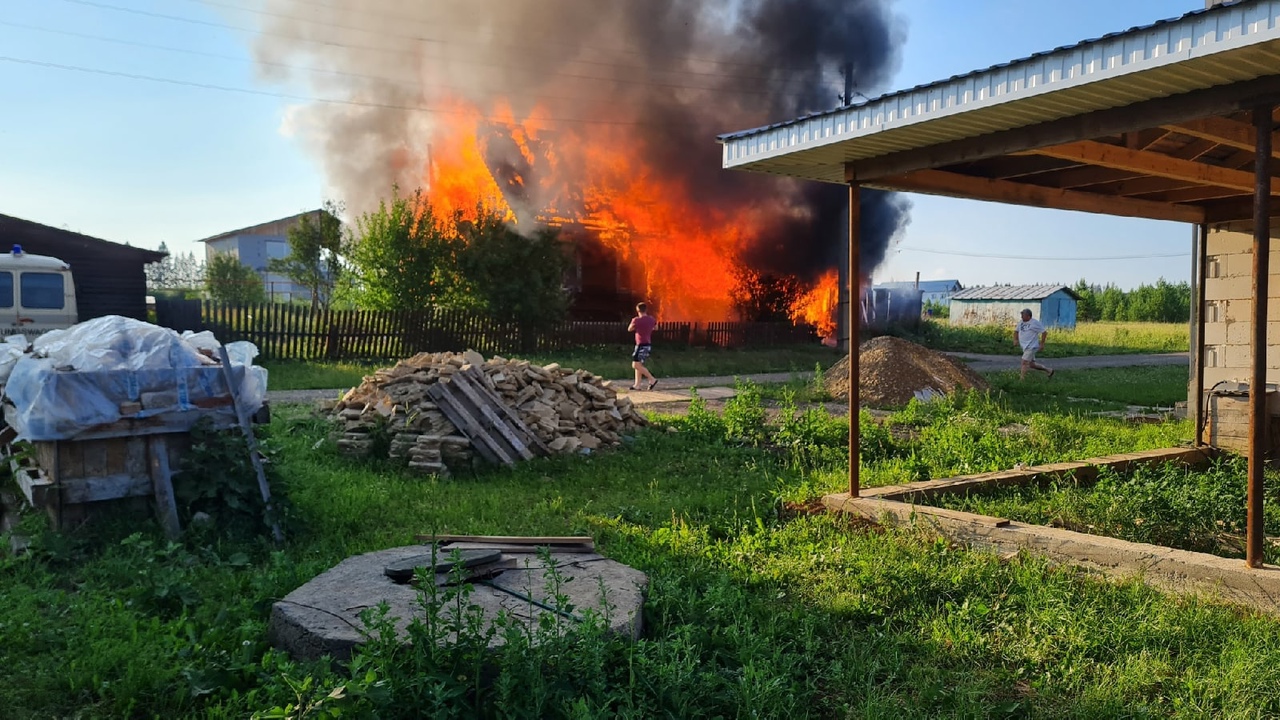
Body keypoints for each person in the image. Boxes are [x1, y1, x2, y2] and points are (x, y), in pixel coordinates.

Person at [1015, 308, 1054, 380]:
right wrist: (1016, 340)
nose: (1021, 317)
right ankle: (1049, 370)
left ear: (1028, 316)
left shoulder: (1035, 323)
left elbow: (1044, 332)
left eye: (1023, 315)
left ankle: (1021, 380)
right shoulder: (1021, 322)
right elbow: (1016, 331)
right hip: (1025, 347)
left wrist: (1042, 344)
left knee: (1024, 362)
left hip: (1031, 346)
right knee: (1032, 365)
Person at [627, 302, 658, 391]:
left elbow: (629, 329)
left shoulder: (636, 320)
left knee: (635, 365)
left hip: (640, 345)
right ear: (646, 310)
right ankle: (637, 385)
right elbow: (656, 328)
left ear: (637, 310)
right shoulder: (651, 319)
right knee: (639, 364)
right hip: (648, 344)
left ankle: (652, 379)